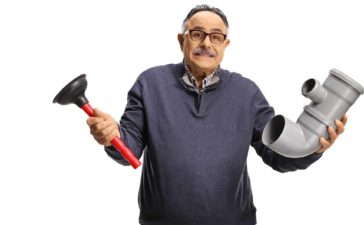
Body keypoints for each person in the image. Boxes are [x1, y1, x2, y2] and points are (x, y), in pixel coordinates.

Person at [87, 4, 347, 225]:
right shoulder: (150, 83)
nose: (207, 44)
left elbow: (277, 157)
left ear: (226, 44)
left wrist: (315, 149)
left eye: (216, 36)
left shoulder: (246, 92)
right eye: (197, 34)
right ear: (182, 40)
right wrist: (112, 135)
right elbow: (128, 148)